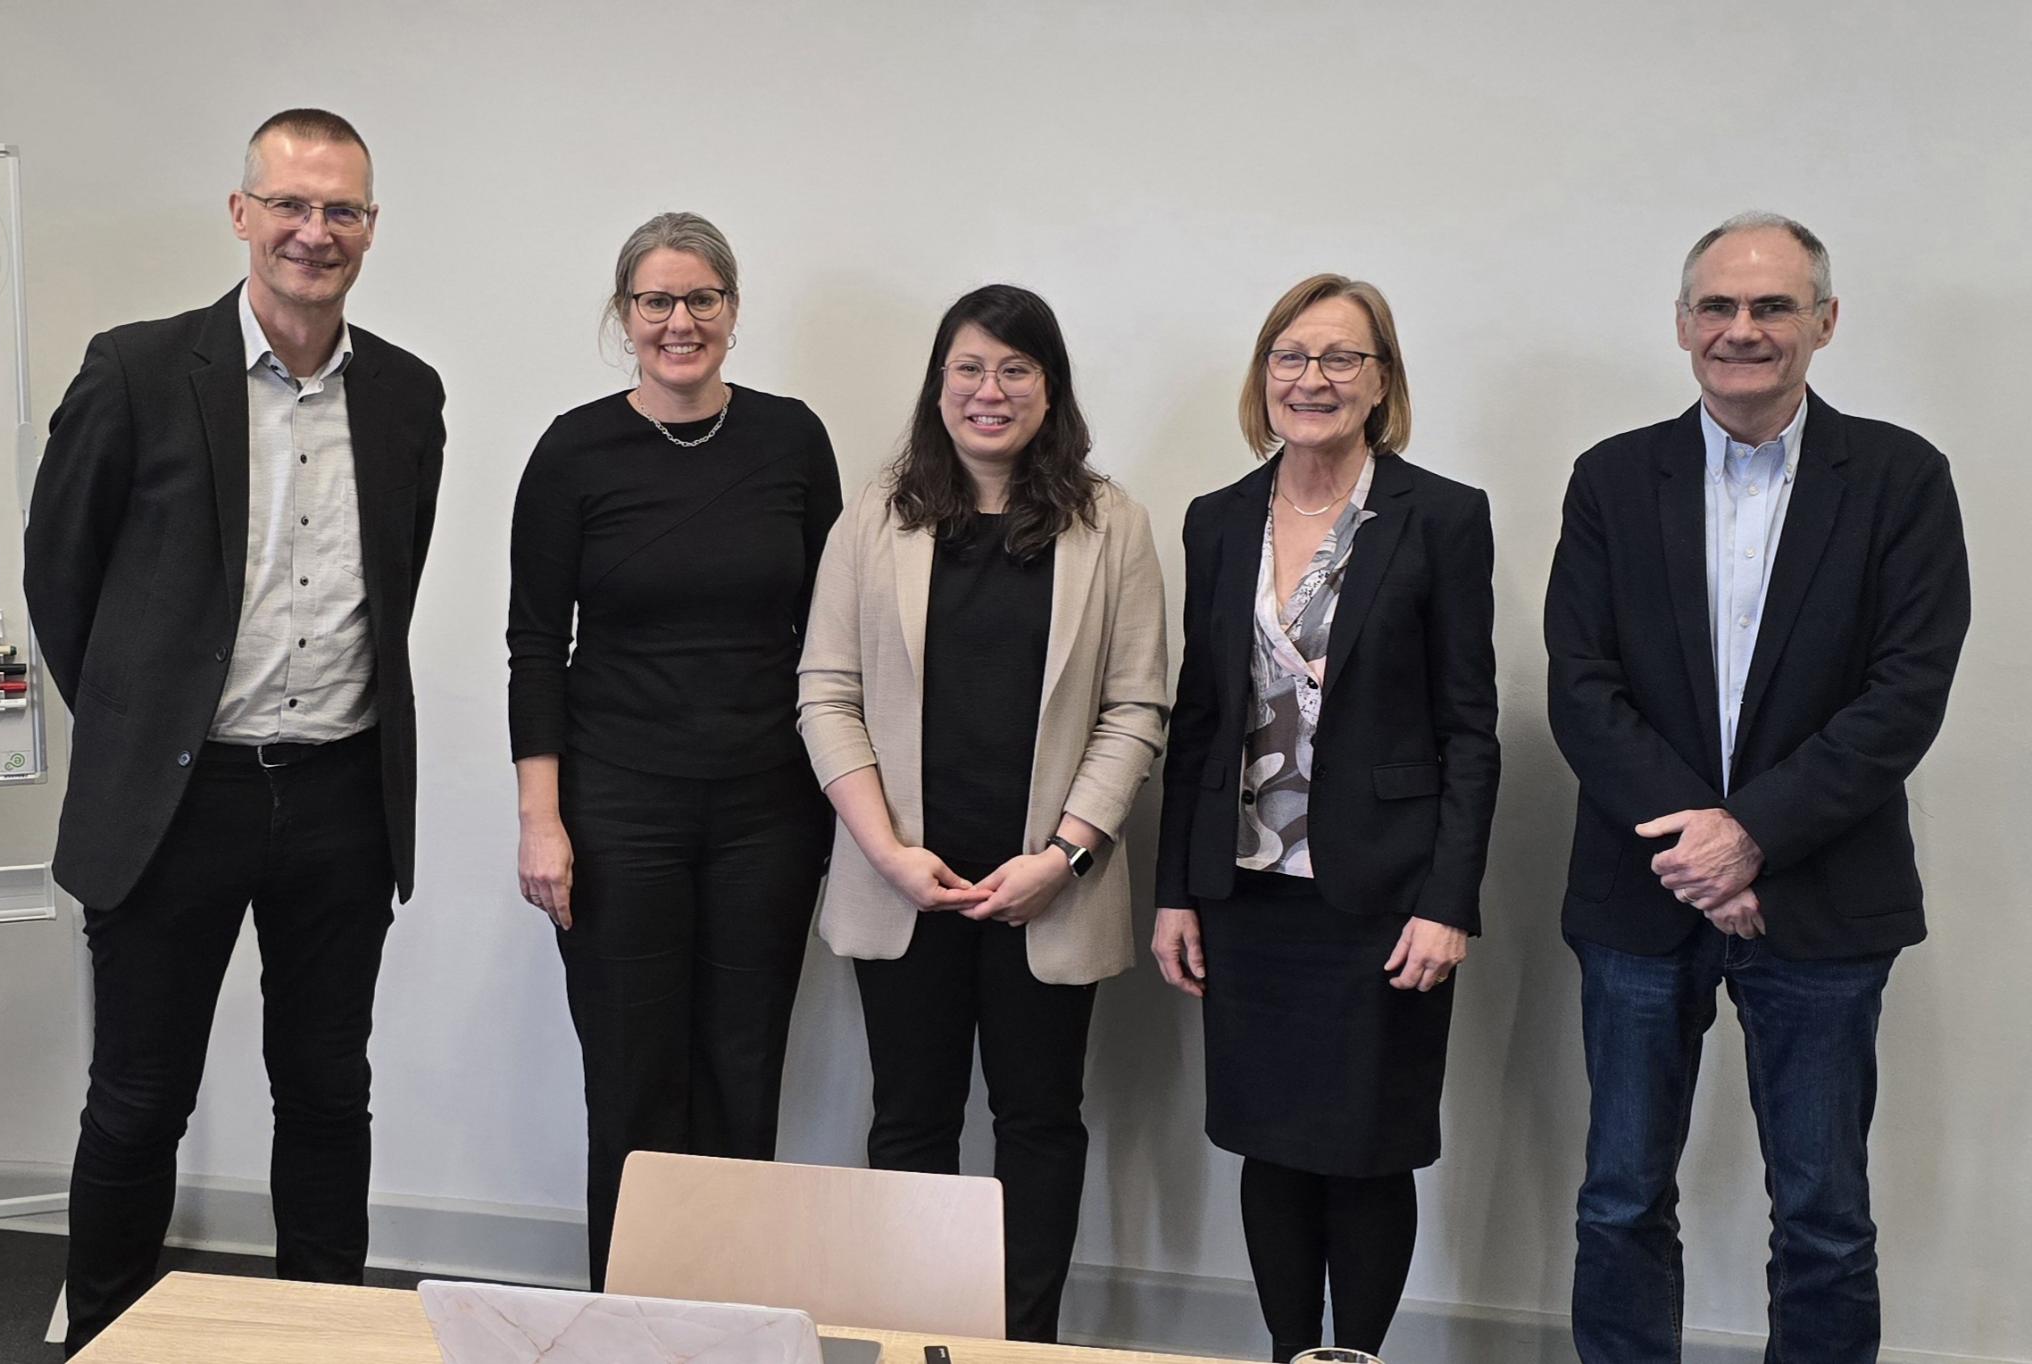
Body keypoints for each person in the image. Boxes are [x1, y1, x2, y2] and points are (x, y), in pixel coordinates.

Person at [24, 109, 445, 1355]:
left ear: (371, 227)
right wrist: (141, 727)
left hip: (341, 796)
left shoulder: (408, 394)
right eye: (292, 204)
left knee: (326, 1094)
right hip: (178, 799)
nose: (315, 231)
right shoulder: (137, 370)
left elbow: (396, 576)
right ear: (241, 213)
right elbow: (60, 576)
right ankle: (104, 1337)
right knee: (139, 1098)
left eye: (342, 209)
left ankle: (322, 1337)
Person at [1545, 212, 1970, 1363]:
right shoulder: (1610, 478)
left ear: (1822, 322)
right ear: (1681, 324)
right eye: (1718, 306)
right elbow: (1580, 685)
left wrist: (1751, 836)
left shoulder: (1899, 479)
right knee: (1619, 1198)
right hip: (1641, 894)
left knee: (1823, 1216)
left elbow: (1903, 691)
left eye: (1772, 305)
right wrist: (1700, 845)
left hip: (1822, 896)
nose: (1742, 328)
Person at [797, 284, 1167, 1342]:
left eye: (1014, 369)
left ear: (1050, 389)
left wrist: (1063, 856)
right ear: (937, 383)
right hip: (905, 886)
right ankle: (915, 1340)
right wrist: (885, 852)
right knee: (910, 1122)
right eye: (968, 367)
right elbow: (825, 691)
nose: (988, 390)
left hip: (1045, 891)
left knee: (1038, 1124)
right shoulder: (876, 516)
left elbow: (1137, 706)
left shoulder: (1111, 524)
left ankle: (1020, 1344)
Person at [1151, 274, 1499, 1361]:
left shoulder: (1441, 516)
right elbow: (1197, 719)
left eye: (1341, 358)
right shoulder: (1217, 520)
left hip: (1381, 895)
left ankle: (1355, 1357)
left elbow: (1469, 729)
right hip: (1247, 892)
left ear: (1380, 380)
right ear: (1264, 375)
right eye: (1291, 356)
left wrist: (1448, 902)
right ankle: (1287, 1351)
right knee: (1271, 1144)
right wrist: (1174, 890)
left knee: (1366, 1149)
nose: (1313, 379)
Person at [507, 211, 842, 1290]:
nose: (679, 320)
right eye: (656, 300)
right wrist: (541, 821)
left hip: (768, 812)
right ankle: (627, 1325)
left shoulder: (793, 440)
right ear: (625, 315)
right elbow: (533, 646)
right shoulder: (572, 451)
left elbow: (833, 635)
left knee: (743, 1075)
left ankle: (738, 1323)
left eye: (702, 298)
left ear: (733, 311)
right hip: (617, 814)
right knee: (633, 1083)